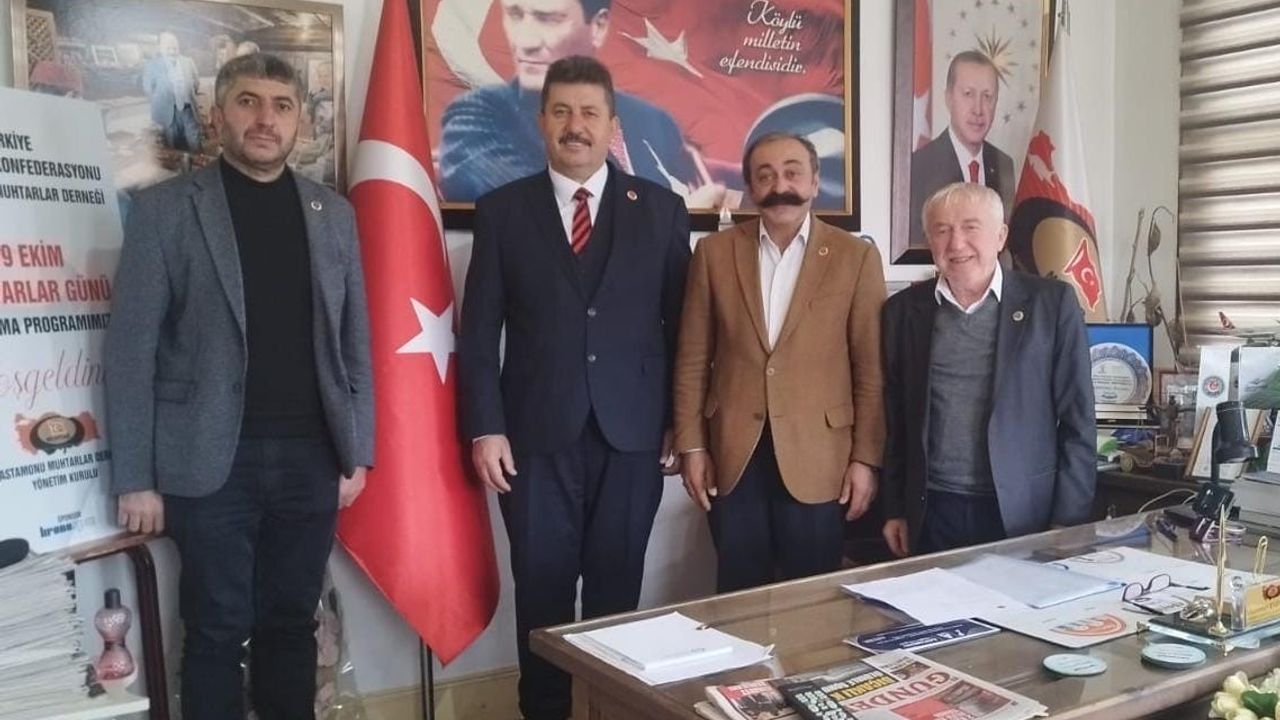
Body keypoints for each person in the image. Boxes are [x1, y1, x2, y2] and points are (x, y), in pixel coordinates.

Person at [105, 53, 374, 720]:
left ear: (300, 120)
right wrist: (135, 477)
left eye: (282, 105)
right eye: (248, 101)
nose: (265, 119)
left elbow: (354, 343)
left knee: (292, 624)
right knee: (216, 629)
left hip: (311, 459)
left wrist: (358, 451)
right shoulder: (165, 211)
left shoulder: (333, 215)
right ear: (217, 113)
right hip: (207, 462)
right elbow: (131, 350)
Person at [457, 54, 689, 720]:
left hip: (633, 439)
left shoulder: (662, 211)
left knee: (618, 598)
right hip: (533, 442)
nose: (575, 125)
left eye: (589, 112)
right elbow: (479, 334)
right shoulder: (502, 212)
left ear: (612, 125)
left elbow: (686, 330)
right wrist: (486, 425)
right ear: (542, 122)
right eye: (561, 111)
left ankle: (611, 711)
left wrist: (683, 423)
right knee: (543, 599)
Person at [673, 132, 886, 592]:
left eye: (792, 173)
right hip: (733, 455)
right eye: (765, 176)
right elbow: (692, 360)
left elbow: (870, 371)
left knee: (811, 600)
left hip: (822, 457)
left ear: (815, 181)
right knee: (738, 594)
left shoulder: (856, 258)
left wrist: (865, 459)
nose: (780, 186)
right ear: (750, 187)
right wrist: (692, 447)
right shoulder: (713, 254)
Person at [880, 182, 1094, 557]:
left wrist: (1069, 520)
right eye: (942, 230)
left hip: (1021, 511)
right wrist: (895, 507)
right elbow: (895, 420)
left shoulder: (1051, 304)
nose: (956, 243)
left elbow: (1078, 419)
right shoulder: (903, 312)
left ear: (1001, 236)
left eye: (970, 228)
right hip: (933, 510)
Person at [439, 0, 721, 206]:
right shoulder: (476, 117)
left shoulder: (652, 119)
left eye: (549, 19)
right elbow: (520, 209)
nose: (525, 40)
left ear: (598, 26)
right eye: (515, 15)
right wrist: (668, 216)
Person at [908, 51, 1015, 248]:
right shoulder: (919, 165)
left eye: (987, 96)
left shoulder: (1004, 165)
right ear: (949, 98)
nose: (978, 109)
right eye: (968, 94)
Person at [141, 31, 202, 152]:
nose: (172, 51)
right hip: (167, 113)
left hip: (188, 110)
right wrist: (162, 102)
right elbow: (148, 89)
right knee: (172, 146)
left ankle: (198, 162)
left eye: (175, 48)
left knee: (195, 143)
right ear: (161, 49)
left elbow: (196, 83)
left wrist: (186, 96)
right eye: (168, 48)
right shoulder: (152, 65)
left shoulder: (188, 62)